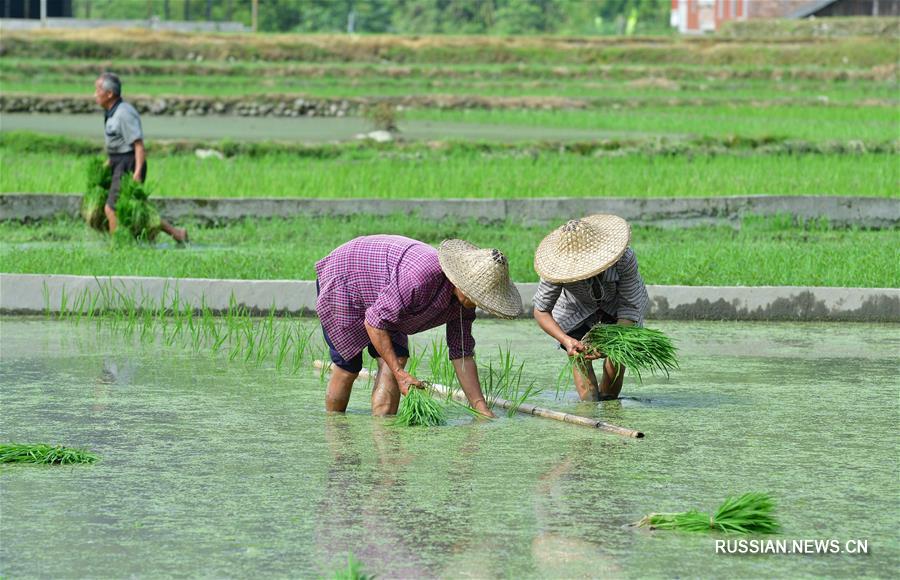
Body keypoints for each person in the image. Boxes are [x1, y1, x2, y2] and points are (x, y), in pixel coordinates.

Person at [315, 235, 522, 418]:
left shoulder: (464, 304)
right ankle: (336, 431)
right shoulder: (420, 279)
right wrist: (400, 374)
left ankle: (384, 438)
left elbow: (462, 353)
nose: (476, 302)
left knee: (396, 359)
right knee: (348, 366)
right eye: (475, 294)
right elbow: (374, 322)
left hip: (385, 287)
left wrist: (480, 408)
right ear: (459, 280)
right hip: (346, 277)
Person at [532, 215, 649, 401]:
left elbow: (629, 307)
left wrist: (611, 341)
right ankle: (590, 409)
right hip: (575, 311)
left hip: (617, 309)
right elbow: (541, 311)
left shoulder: (623, 258)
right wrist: (566, 340)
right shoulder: (554, 267)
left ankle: (610, 402)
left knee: (617, 356)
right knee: (580, 358)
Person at [93, 72, 188, 242]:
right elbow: (116, 142)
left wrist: (136, 172)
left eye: (97, 90)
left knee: (111, 208)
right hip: (117, 161)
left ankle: (118, 246)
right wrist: (108, 164)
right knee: (139, 209)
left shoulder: (124, 113)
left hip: (128, 163)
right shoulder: (110, 112)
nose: (94, 94)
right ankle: (178, 234)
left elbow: (138, 145)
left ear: (109, 94)